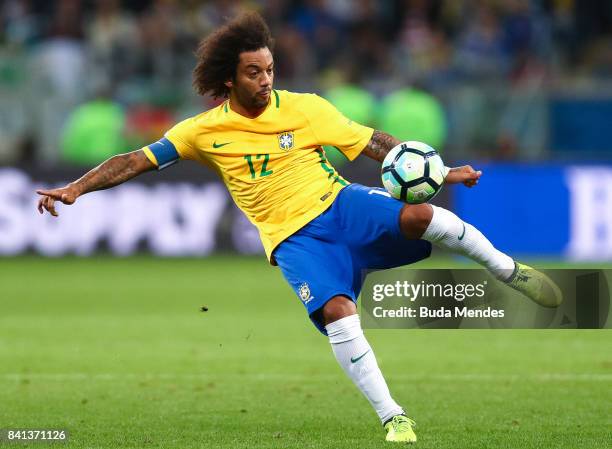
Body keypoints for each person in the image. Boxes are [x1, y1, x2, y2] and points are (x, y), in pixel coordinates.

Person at [37, 12, 562, 444]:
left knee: (422, 215)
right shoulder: (202, 132)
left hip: (341, 205)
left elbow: (374, 142)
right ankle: (393, 417)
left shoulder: (306, 109)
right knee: (339, 313)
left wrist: (443, 172)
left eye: (269, 70)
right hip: (294, 240)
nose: (265, 81)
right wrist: (76, 188)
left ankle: (509, 270)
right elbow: (136, 159)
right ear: (229, 79)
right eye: (253, 73)